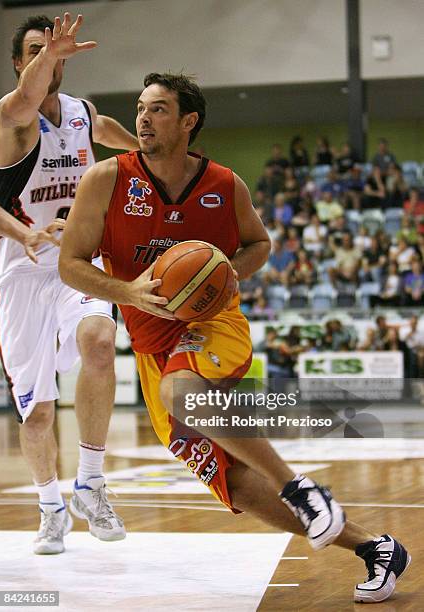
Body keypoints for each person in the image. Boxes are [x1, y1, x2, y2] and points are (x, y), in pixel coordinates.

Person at [59, 72, 410, 603]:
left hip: (211, 325)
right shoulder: (106, 180)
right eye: (140, 108)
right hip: (151, 343)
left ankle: (302, 488)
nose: (143, 119)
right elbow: (70, 264)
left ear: (188, 121)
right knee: (239, 485)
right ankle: (374, 548)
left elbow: (259, 243)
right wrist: (125, 292)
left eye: (157, 109)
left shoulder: (224, 184)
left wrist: (224, 272)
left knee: (182, 393)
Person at [0, 13, 139, 554]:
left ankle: (91, 483)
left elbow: (108, 136)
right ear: (19, 62)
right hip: (21, 268)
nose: (46, 58)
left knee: (100, 343)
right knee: (36, 411)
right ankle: (49, 506)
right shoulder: (9, 116)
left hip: (76, 260)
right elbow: (28, 97)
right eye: (34, 50)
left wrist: (154, 155)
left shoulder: (81, 111)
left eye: (51, 49)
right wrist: (24, 233)